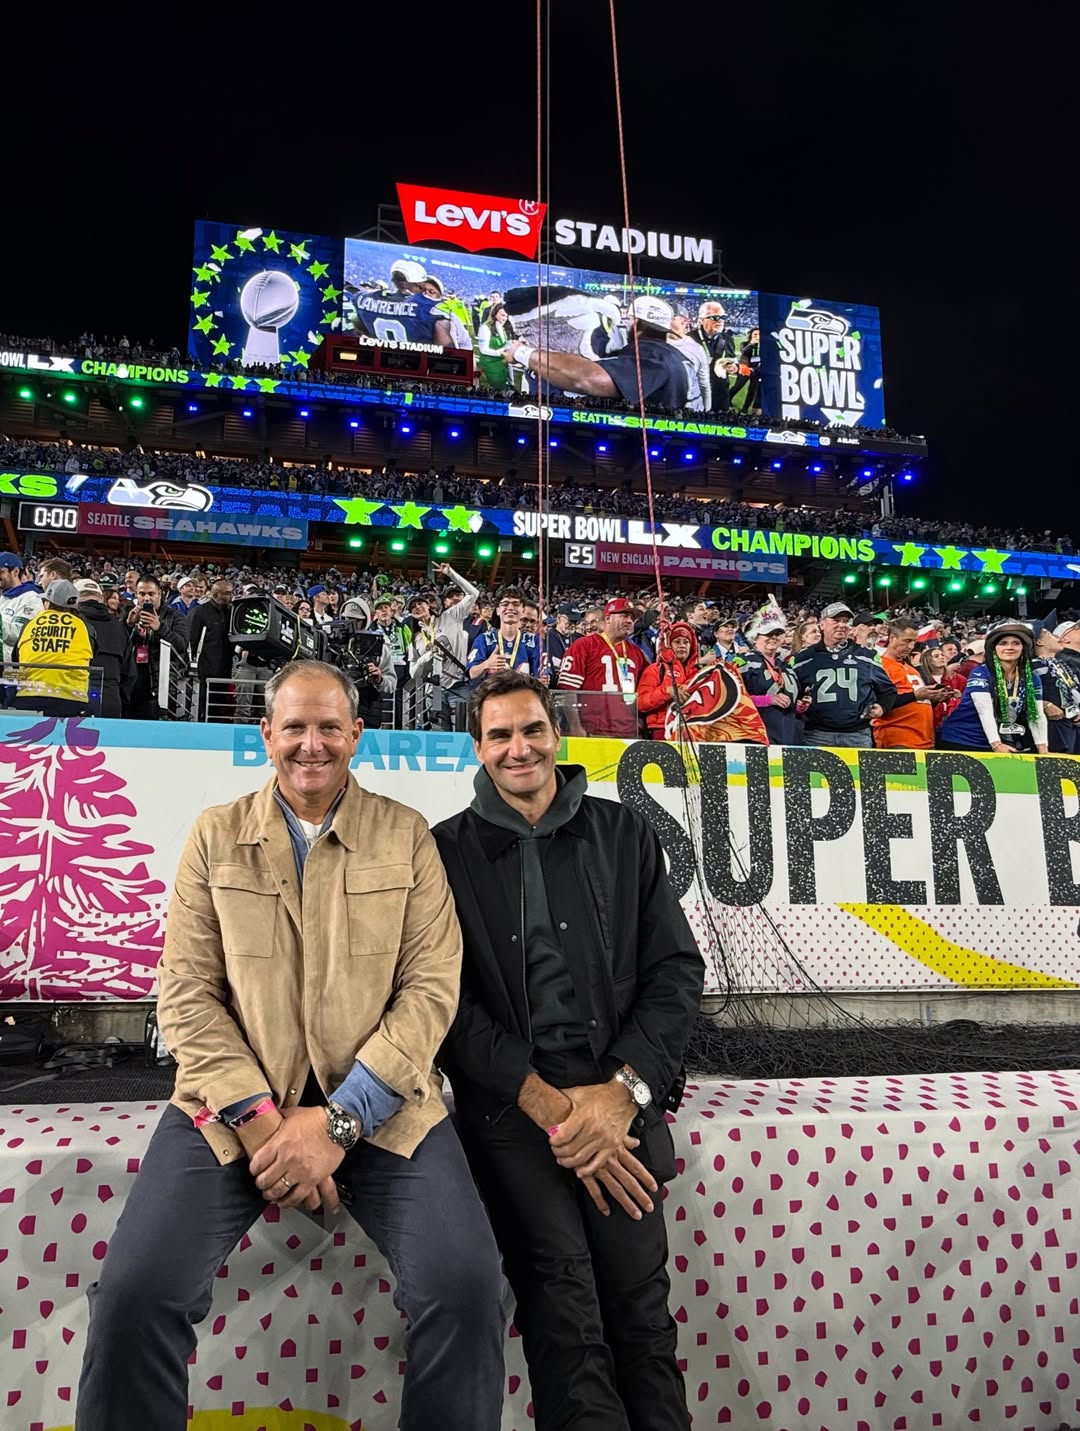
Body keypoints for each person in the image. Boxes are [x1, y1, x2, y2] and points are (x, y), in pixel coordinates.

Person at [74, 661, 505, 1431]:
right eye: (295, 727)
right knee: (135, 1295)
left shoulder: (406, 834)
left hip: (383, 1109)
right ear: (265, 733)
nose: (313, 743)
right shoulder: (215, 835)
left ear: (357, 734)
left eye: (329, 727)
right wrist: (264, 1124)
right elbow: (186, 995)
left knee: (467, 1286)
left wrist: (338, 1124)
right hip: (231, 1110)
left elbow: (431, 989)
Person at [432, 671, 704, 1431]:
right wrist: (551, 1107)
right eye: (500, 735)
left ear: (556, 734)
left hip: (619, 1108)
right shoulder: (444, 852)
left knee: (643, 1321)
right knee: (565, 1322)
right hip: (515, 1117)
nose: (518, 748)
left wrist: (621, 1094)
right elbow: (444, 1004)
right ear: (478, 748)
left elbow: (674, 971)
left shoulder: (623, 833)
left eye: (531, 730)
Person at [502, 296, 701, 411]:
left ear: (635, 323)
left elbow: (587, 379)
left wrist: (522, 353)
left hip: (650, 450)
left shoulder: (652, 355)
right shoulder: (674, 355)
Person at [792, 601, 896, 748]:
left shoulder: (867, 655)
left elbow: (888, 690)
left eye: (846, 621)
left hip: (857, 734)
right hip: (816, 734)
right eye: (836, 620)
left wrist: (882, 707)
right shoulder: (802, 659)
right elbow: (792, 693)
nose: (841, 625)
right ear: (822, 624)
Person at [938, 620, 1048, 753]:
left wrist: (1043, 748)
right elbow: (984, 710)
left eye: (1016, 643)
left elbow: (1036, 715)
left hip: (997, 741)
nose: (1010, 647)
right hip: (962, 740)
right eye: (1003, 643)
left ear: (1023, 648)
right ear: (994, 648)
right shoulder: (981, 672)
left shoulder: (1031, 678)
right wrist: (996, 745)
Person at [558, 597, 647, 739]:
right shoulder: (583, 645)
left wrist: (640, 722)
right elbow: (568, 689)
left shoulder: (637, 653)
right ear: (608, 619)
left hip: (628, 732)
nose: (630, 621)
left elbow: (644, 691)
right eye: (624, 615)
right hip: (592, 732)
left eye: (632, 618)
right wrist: (575, 726)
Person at [13, 579, 98, 718]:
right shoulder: (84, 627)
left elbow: (16, 661)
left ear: (48, 602)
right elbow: (90, 660)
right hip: (72, 700)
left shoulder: (30, 625)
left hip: (29, 697)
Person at [872, 619, 952, 750]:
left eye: (914, 641)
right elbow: (878, 703)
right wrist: (915, 695)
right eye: (907, 641)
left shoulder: (911, 669)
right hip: (898, 740)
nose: (910, 646)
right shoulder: (879, 666)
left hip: (924, 740)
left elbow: (917, 701)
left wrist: (935, 697)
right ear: (892, 638)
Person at [121, 574, 189, 720]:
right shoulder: (128, 614)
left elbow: (182, 645)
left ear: (159, 594)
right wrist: (128, 625)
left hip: (162, 684)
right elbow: (119, 645)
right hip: (132, 683)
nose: (146, 598)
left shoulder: (175, 616)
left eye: (151, 594)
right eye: (142, 594)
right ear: (136, 594)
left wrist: (160, 628)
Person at [350, 259, 455, 348]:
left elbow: (357, 328)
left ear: (393, 280)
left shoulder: (364, 299)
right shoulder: (430, 307)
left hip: (377, 356)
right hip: (416, 361)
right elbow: (447, 349)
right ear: (418, 284)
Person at [737, 615, 801, 745]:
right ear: (755, 638)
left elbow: (793, 698)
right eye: (768, 634)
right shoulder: (743, 662)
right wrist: (767, 700)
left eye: (777, 634)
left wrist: (799, 705)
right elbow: (731, 699)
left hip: (787, 734)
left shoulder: (786, 665)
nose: (773, 637)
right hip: (755, 737)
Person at [339, 595, 397, 728]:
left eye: (356, 620)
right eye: (347, 619)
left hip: (367, 708)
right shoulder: (331, 644)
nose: (350, 624)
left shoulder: (378, 646)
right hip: (338, 707)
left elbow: (391, 683)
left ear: (365, 620)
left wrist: (379, 679)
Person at [636, 620, 700, 738]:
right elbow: (641, 703)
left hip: (693, 730)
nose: (682, 645)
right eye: (677, 641)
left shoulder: (698, 673)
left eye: (686, 642)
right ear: (668, 645)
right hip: (662, 729)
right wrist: (667, 691)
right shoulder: (656, 669)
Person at [468, 587, 543, 683]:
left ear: (523, 610)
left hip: (522, 692)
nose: (510, 608)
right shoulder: (484, 639)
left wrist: (544, 679)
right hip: (493, 692)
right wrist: (487, 664)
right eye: (505, 604)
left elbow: (541, 675)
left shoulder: (534, 641)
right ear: (498, 610)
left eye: (516, 604)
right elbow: (471, 673)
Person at [75, 579, 127, 719]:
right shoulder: (118, 626)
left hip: (73, 695)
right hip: (110, 698)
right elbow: (129, 672)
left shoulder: (72, 623)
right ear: (101, 599)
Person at [0, 550, 44, 708]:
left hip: (13, 673)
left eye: (1, 572)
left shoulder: (31, 598)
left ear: (15, 572)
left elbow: (21, 634)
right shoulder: (3, 598)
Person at [188, 577, 235, 721]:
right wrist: (192, 663)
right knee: (203, 706)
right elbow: (191, 639)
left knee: (219, 707)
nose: (231, 596)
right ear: (215, 594)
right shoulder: (200, 612)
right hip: (205, 669)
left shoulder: (232, 612)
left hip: (226, 668)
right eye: (227, 593)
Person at [1033, 620, 1080, 754]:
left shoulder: (1063, 664)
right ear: (1039, 642)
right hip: (1053, 726)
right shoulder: (1033, 666)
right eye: (1050, 634)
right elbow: (1024, 692)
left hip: (1072, 723)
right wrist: (1044, 704)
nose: (1058, 638)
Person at [693, 301, 736, 414]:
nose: (720, 320)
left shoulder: (728, 339)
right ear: (701, 320)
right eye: (715, 317)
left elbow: (733, 361)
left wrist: (733, 367)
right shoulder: (689, 339)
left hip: (720, 394)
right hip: (697, 394)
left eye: (723, 317)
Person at [667, 311, 711, 413]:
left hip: (688, 408)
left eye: (672, 317)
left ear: (684, 321)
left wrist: (707, 413)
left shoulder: (697, 349)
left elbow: (704, 385)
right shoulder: (656, 342)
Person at [476, 303, 515, 389]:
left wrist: (511, 343)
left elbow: (503, 344)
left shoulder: (501, 326)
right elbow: (483, 349)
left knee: (503, 388)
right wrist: (498, 353)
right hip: (490, 365)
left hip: (501, 364)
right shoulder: (485, 328)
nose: (505, 318)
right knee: (495, 389)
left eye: (506, 316)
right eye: (502, 315)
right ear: (494, 313)